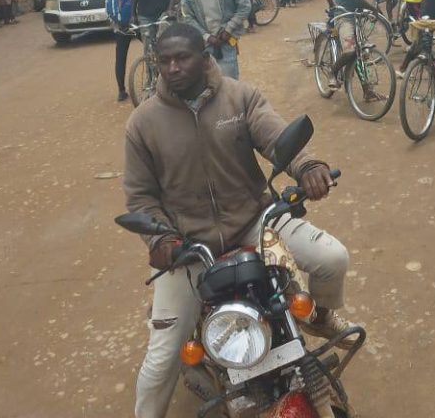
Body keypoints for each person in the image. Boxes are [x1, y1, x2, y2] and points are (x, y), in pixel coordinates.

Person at [123, 23, 353, 418]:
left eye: (183, 58)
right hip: (188, 246)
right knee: (161, 361)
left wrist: (307, 165)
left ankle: (320, 315)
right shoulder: (143, 123)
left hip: (254, 221)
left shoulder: (239, 97)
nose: (173, 68)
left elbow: (277, 136)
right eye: (165, 61)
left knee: (333, 258)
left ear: (204, 57)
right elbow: (141, 196)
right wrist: (160, 242)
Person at [180, 0, 251, 79]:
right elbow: (187, 16)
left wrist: (229, 29)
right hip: (204, 45)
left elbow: (245, 5)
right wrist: (207, 37)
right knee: (206, 83)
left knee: (229, 82)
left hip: (227, 41)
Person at [320, 0, 378, 87]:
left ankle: (367, 89)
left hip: (353, 17)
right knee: (350, 51)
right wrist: (374, 9)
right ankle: (332, 72)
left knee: (359, 53)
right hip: (344, 18)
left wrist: (331, 3)